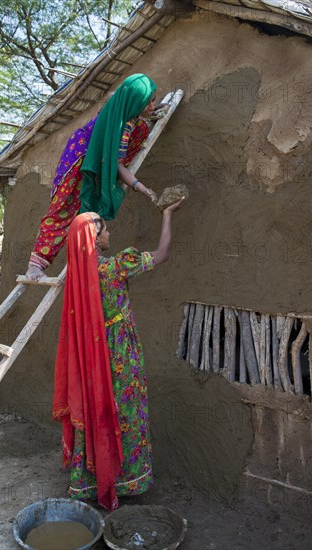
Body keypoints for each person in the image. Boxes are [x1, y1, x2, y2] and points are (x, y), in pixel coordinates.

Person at [52, 198, 185, 510]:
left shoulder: (78, 279)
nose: (110, 234)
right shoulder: (116, 267)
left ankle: (89, 480)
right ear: (95, 239)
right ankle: (124, 479)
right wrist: (167, 215)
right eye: (106, 230)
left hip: (90, 357)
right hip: (120, 352)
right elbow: (163, 254)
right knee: (126, 412)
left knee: (96, 411)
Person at [26, 73, 159, 282]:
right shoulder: (123, 127)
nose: (153, 105)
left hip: (99, 158)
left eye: (154, 100)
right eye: (148, 102)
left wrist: (148, 114)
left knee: (88, 213)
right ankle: (35, 264)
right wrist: (140, 187)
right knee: (64, 209)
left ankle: (87, 253)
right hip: (80, 159)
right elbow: (116, 165)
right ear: (134, 103)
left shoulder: (126, 115)